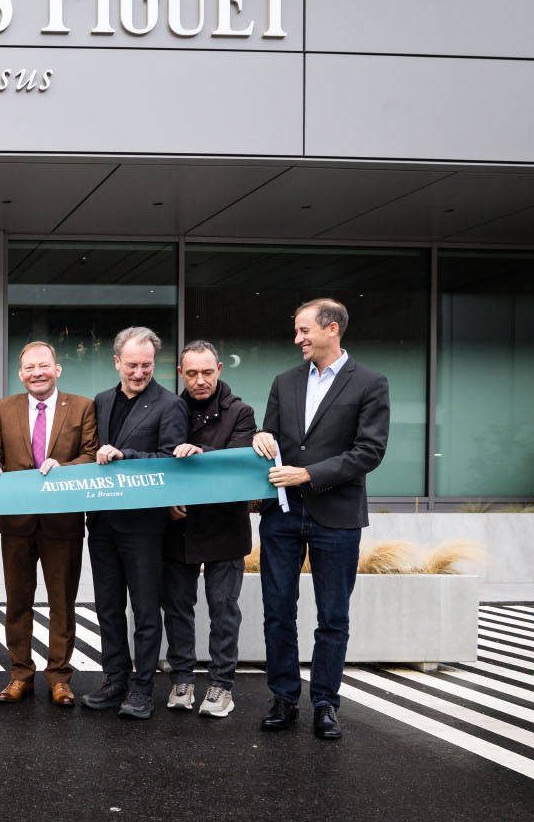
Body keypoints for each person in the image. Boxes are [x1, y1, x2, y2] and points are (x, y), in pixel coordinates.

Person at [252, 298, 389, 740]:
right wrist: (261, 436)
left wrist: (308, 474)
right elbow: (272, 436)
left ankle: (326, 703)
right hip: (282, 514)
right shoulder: (284, 381)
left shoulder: (370, 382)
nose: (297, 339)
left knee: (333, 616)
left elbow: (369, 452)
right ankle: (283, 698)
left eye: (304, 330)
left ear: (332, 329)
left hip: (337, 515)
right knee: (277, 611)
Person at [0, 341, 98, 706]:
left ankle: (59, 677)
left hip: (62, 522)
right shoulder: (3, 408)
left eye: (44, 366)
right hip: (16, 521)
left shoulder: (82, 407)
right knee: (18, 601)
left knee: (62, 602)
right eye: (30, 368)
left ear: (57, 369)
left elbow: (91, 454)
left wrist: (66, 468)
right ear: (20, 374)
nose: (37, 373)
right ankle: (20, 674)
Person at [83, 327, 186, 720]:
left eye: (146, 365)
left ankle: (142, 689)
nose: (139, 373)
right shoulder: (101, 400)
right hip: (102, 523)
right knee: (108, 607)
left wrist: (126, 455)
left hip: (143, 525)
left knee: (144, 611)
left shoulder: (169, 404)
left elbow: (169, 461)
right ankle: (114, 680)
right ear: (117, 362)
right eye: (131, 365)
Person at [162, 340, 257, 718]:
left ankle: (221, 685)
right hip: (177, 526)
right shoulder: (169, 409)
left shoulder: (241, 413)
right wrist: (166, 500)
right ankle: (182, 679)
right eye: (191, 373)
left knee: (223, 610)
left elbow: (239, 467)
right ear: (180, 374)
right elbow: (159, 464)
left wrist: (202, 456)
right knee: (178, 609)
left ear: (219, 369)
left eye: (206, 372)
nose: (199, 380)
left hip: (225, 528)